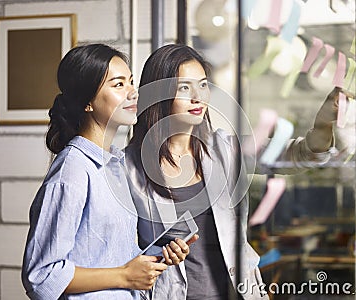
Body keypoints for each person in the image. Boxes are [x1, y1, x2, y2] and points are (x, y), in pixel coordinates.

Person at [124, 44, 342, 299]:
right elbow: (119, 252)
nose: (198, 97)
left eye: (203, 85)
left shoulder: (226, 149)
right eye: (184, 87)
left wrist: (324, 122)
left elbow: (302, 155)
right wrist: (156, 254)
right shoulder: (129, 168)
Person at [21, 43, 192, 300]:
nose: (133, 93)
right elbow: (41, 276)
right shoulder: (73, 171)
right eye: (119, 84)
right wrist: (124, 275)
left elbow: (108, 253)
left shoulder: (116, 166)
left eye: (131, 82)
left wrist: (157, 255)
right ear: (87, 102)